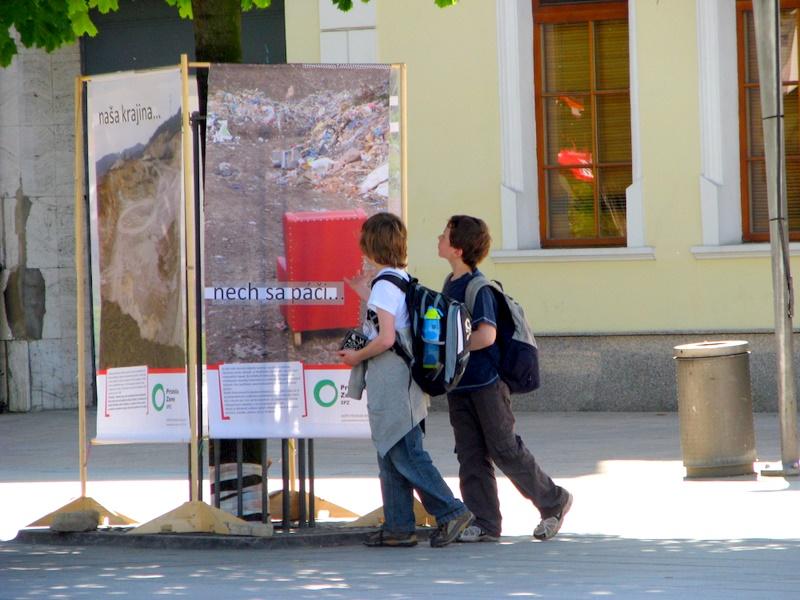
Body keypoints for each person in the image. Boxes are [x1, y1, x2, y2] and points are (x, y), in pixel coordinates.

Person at [339, 212, 473, 548]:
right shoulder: (398, 278)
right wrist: (364, 293)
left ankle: (452, 511)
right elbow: (393, 322)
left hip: (393, 380)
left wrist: (356, 356)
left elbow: (386, 339)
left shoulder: (385, 285)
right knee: (389, 453)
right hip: (404, 379)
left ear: (371, 245)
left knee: (405, 453)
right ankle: (399, 527)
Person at [438, 214, 572, 543]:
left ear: (458, 248)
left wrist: (452, 347)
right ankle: (485, 523)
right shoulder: (450, 283)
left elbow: (487, 335)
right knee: (470, 454)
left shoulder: (478, 287)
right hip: (460, 384)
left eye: (444, 235)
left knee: (504, 449)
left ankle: (554, 501)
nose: (438, 239)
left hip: (486, 384)